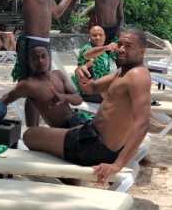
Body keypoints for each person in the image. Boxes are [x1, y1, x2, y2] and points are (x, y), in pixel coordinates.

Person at [23, 28, 152, 183]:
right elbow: (91, 88)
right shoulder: (123, 71)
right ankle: (70, 177)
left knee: (29, 135)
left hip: (96, 148)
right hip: (92, 134)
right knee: (65, 126)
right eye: (119, 44)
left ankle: (70, 180)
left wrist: (118, 165)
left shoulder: (138, 76)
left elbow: (143, 123)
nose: (121, 49)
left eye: (128, 46)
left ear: (142, 52)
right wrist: (80, 73)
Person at [3, 0, 82, 127]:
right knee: (32, 87)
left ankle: (41, 127)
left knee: (44, 85)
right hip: (30, 41)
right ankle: (32, 130)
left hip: (45, 43)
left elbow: (56, 14)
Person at [0, 45, 87, 128]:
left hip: (77, 120)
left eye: (43, 56)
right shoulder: (28, 85)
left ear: (49, 58)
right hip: (64, 130)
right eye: (35, 58)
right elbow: (4, 100)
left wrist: (65, 97)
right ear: (29, 63)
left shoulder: (58, 75)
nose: (40, 61)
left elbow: (78, 100)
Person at [71, 25, 117, 103]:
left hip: (101, 90)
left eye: (100, 35)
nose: (98, 37)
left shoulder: (105, 54)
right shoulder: (86, 49)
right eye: (94, 35)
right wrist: (106, 47)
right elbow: (89, 53)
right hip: (88, 91)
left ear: (104, 37)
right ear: (89, 37)